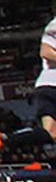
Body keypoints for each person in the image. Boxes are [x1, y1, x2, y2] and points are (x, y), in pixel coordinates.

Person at [38, 14, 56, 144]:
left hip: (47, 85)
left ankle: (5, 139)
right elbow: (45, 51)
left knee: (51, 133)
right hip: (51, 84)